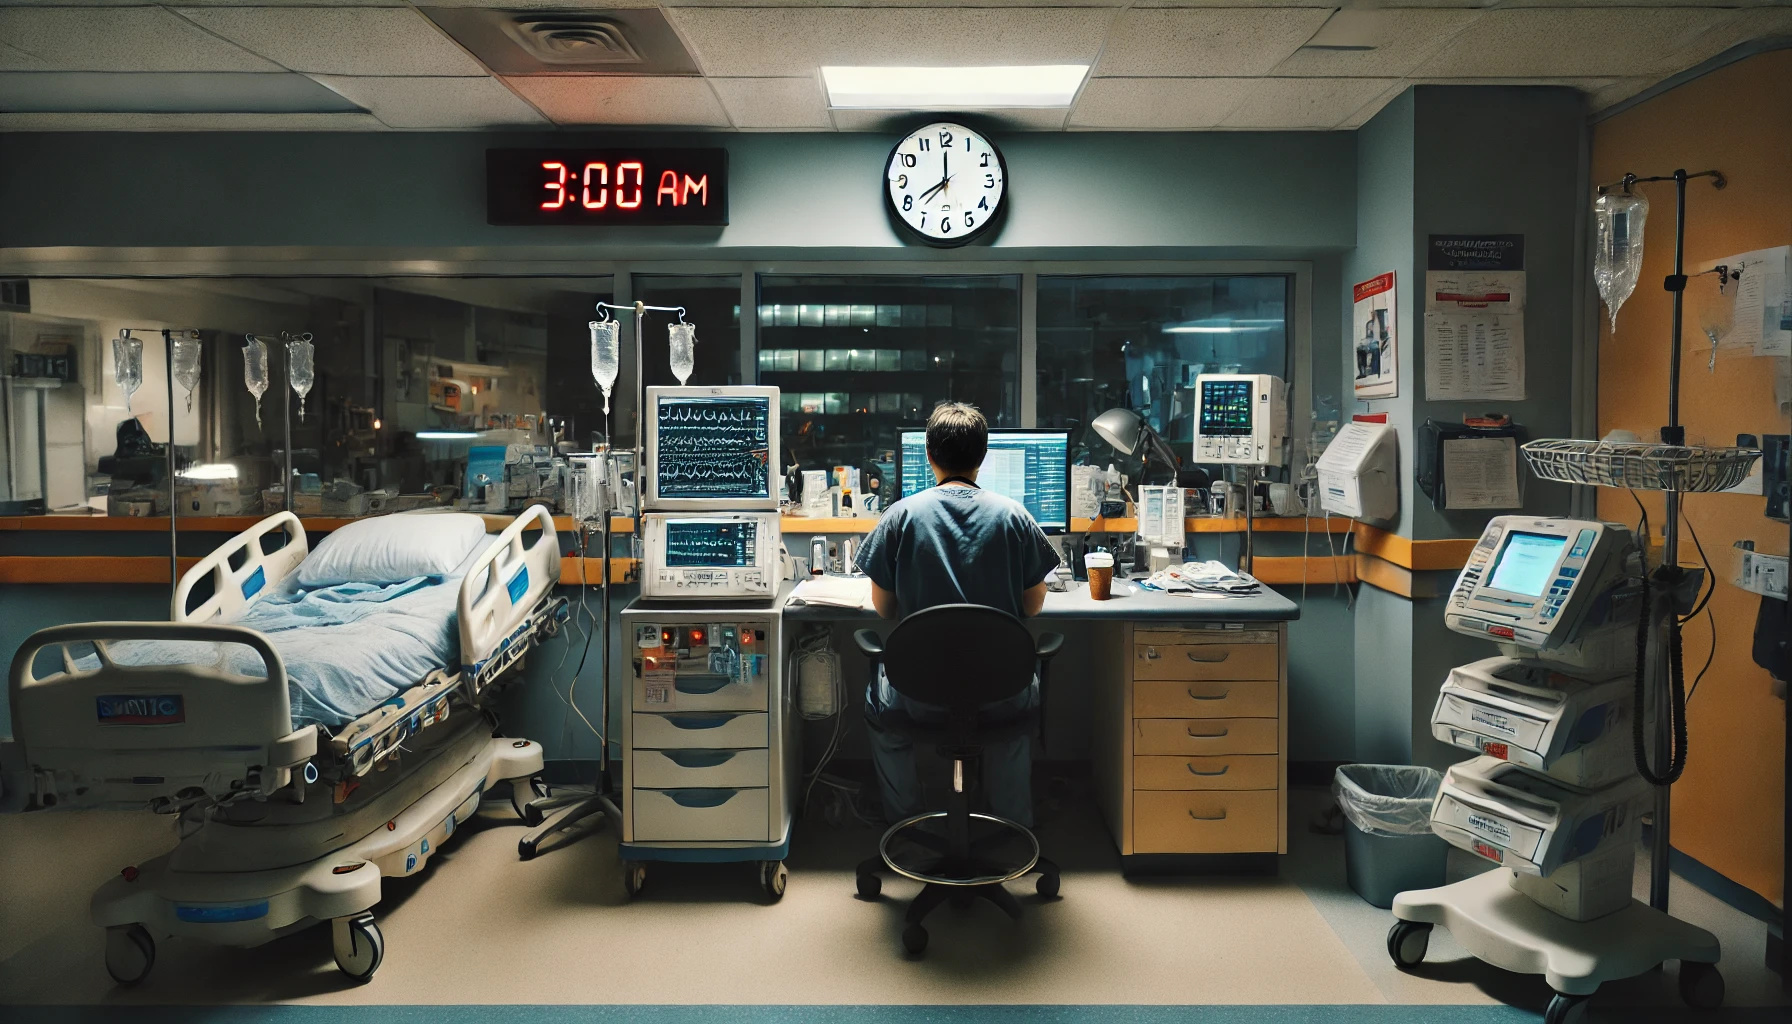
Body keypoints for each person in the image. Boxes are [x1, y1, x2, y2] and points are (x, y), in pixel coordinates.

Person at [853, 402, 1062, 828]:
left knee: (878, 706)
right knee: (1016, 708)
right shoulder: (1014, 516)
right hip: (1001, 694)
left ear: (928, 455)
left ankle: (910, 826)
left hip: (918, 700)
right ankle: (1010, 829)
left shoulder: (900, 516)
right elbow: (1032, 605)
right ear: (982, 458)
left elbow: (885, 608)